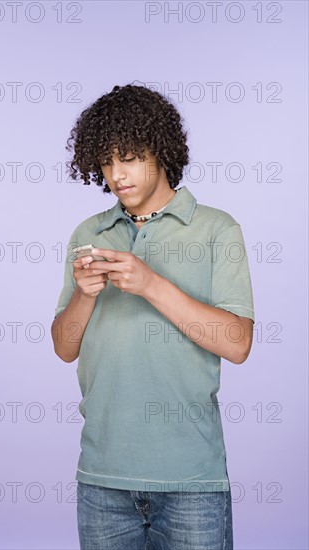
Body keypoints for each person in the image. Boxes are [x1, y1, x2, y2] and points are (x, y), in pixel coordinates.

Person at [51, 83, 255, 550]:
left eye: (129, 157)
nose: (116, 174)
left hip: (190, 481)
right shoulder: (90, 231)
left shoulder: (216, 229)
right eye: (106, 162)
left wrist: (150, 283)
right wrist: (84, 296)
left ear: (159, 150)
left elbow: (238, 344)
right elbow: (64, 347)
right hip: (101, 478)